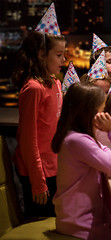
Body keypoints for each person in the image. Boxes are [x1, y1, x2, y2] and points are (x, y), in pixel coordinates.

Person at [52, 82, 111, 240]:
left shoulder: (78, 136)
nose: (104, 115)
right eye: (102, 111)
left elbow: (106, 152)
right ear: (89, 113)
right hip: (79, 224)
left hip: (79, 218)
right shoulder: (77, 141)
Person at [11, 29, 65, 218]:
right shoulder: (33, 88)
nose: (63, 60)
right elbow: (28, 139)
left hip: (54, 165)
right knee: (39, 222)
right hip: (37, 170)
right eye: (59, 55)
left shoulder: (56, 83)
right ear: (42, 54)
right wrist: (37, 181)